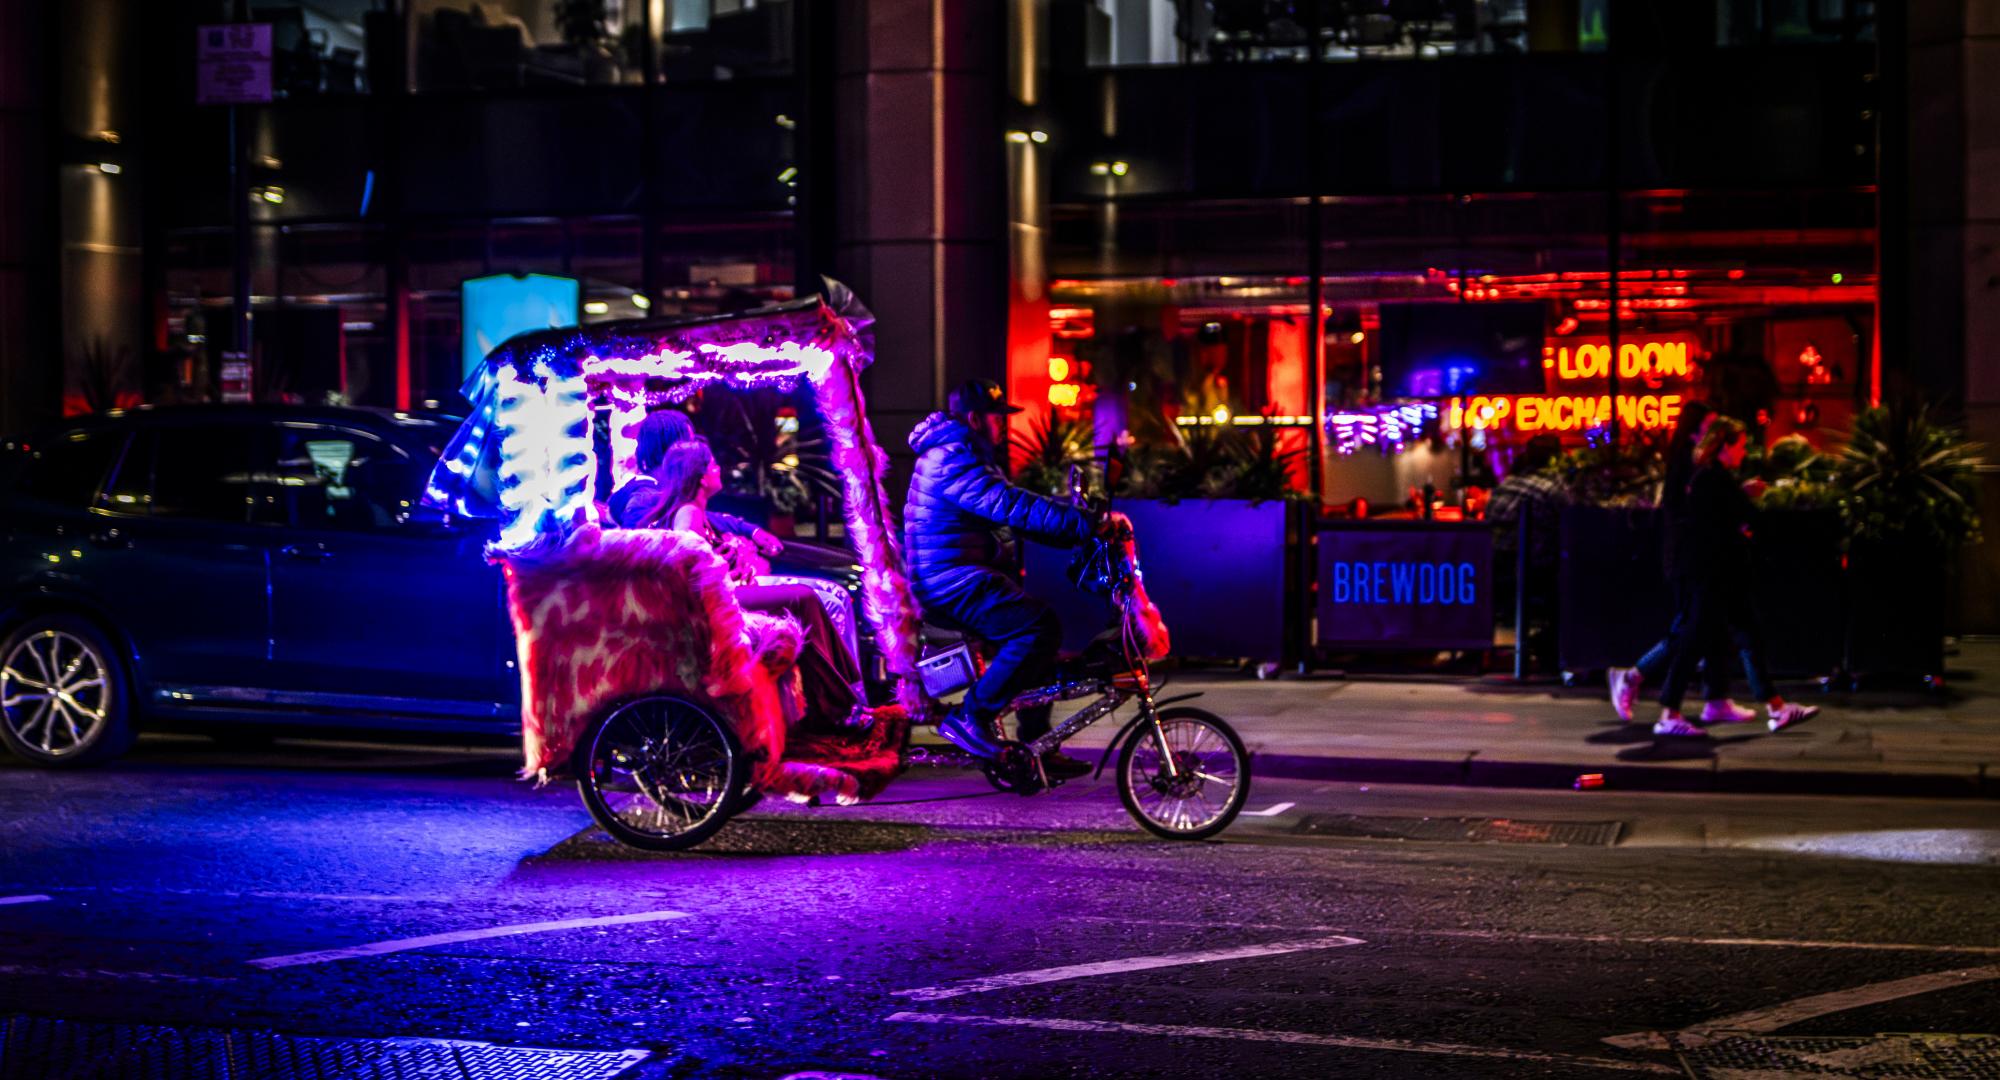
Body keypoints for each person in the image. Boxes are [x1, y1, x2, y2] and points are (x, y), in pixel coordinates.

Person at [904, 378, 1113, 777]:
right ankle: (971, 717)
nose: (1003, 426)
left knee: (1037, 638)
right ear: (974, 418)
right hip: (950, 579)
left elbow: (1013, 515)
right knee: (1037, 627)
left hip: (959, 572)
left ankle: (1036, 745)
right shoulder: (953, 457)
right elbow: (1008, 505)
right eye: (996, 418)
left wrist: (1075, 526)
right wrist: (1081, 524)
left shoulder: (963, 454)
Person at [655, 439, 863, 723]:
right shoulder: (688, 514)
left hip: (723, 595)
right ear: (701, 476)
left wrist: (733, 562)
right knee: (802, 597)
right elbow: (688, 568)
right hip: (714, 603)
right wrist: (728, 570)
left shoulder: (696, 512)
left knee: (806, 599)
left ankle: (838, 698)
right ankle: (837, 702)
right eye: (713, 465)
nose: (719, 470)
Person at [1651, 416, 1819, 735]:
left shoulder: (1712, 478)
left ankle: (1776, 707)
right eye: (1740, 446)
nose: (1743, 452)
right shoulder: (1713, 480)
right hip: (1713, 573)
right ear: (1725, 447)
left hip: (1720, 572)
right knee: (1695, 640)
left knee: (1747, 635)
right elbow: (1743, 517)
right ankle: (1668, 715)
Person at [1606, 401, 1756, 725]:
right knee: (1691, 628)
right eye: (1710, 425)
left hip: (1695, 558)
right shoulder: (1692, 465)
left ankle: (1716, 698)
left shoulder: (1694, 464)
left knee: (1711, 626)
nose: (1716, 432)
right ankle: (1635, 676)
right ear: (1696, 430)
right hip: (1692, 560)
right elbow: (1697, 511)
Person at [609, 409, 784, 562]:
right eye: (689, 442)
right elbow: (634, 550)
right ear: (673, 448)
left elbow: (702, 517)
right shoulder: (644, 495)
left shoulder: (659, 490)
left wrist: (750, 531)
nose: (694, 449)